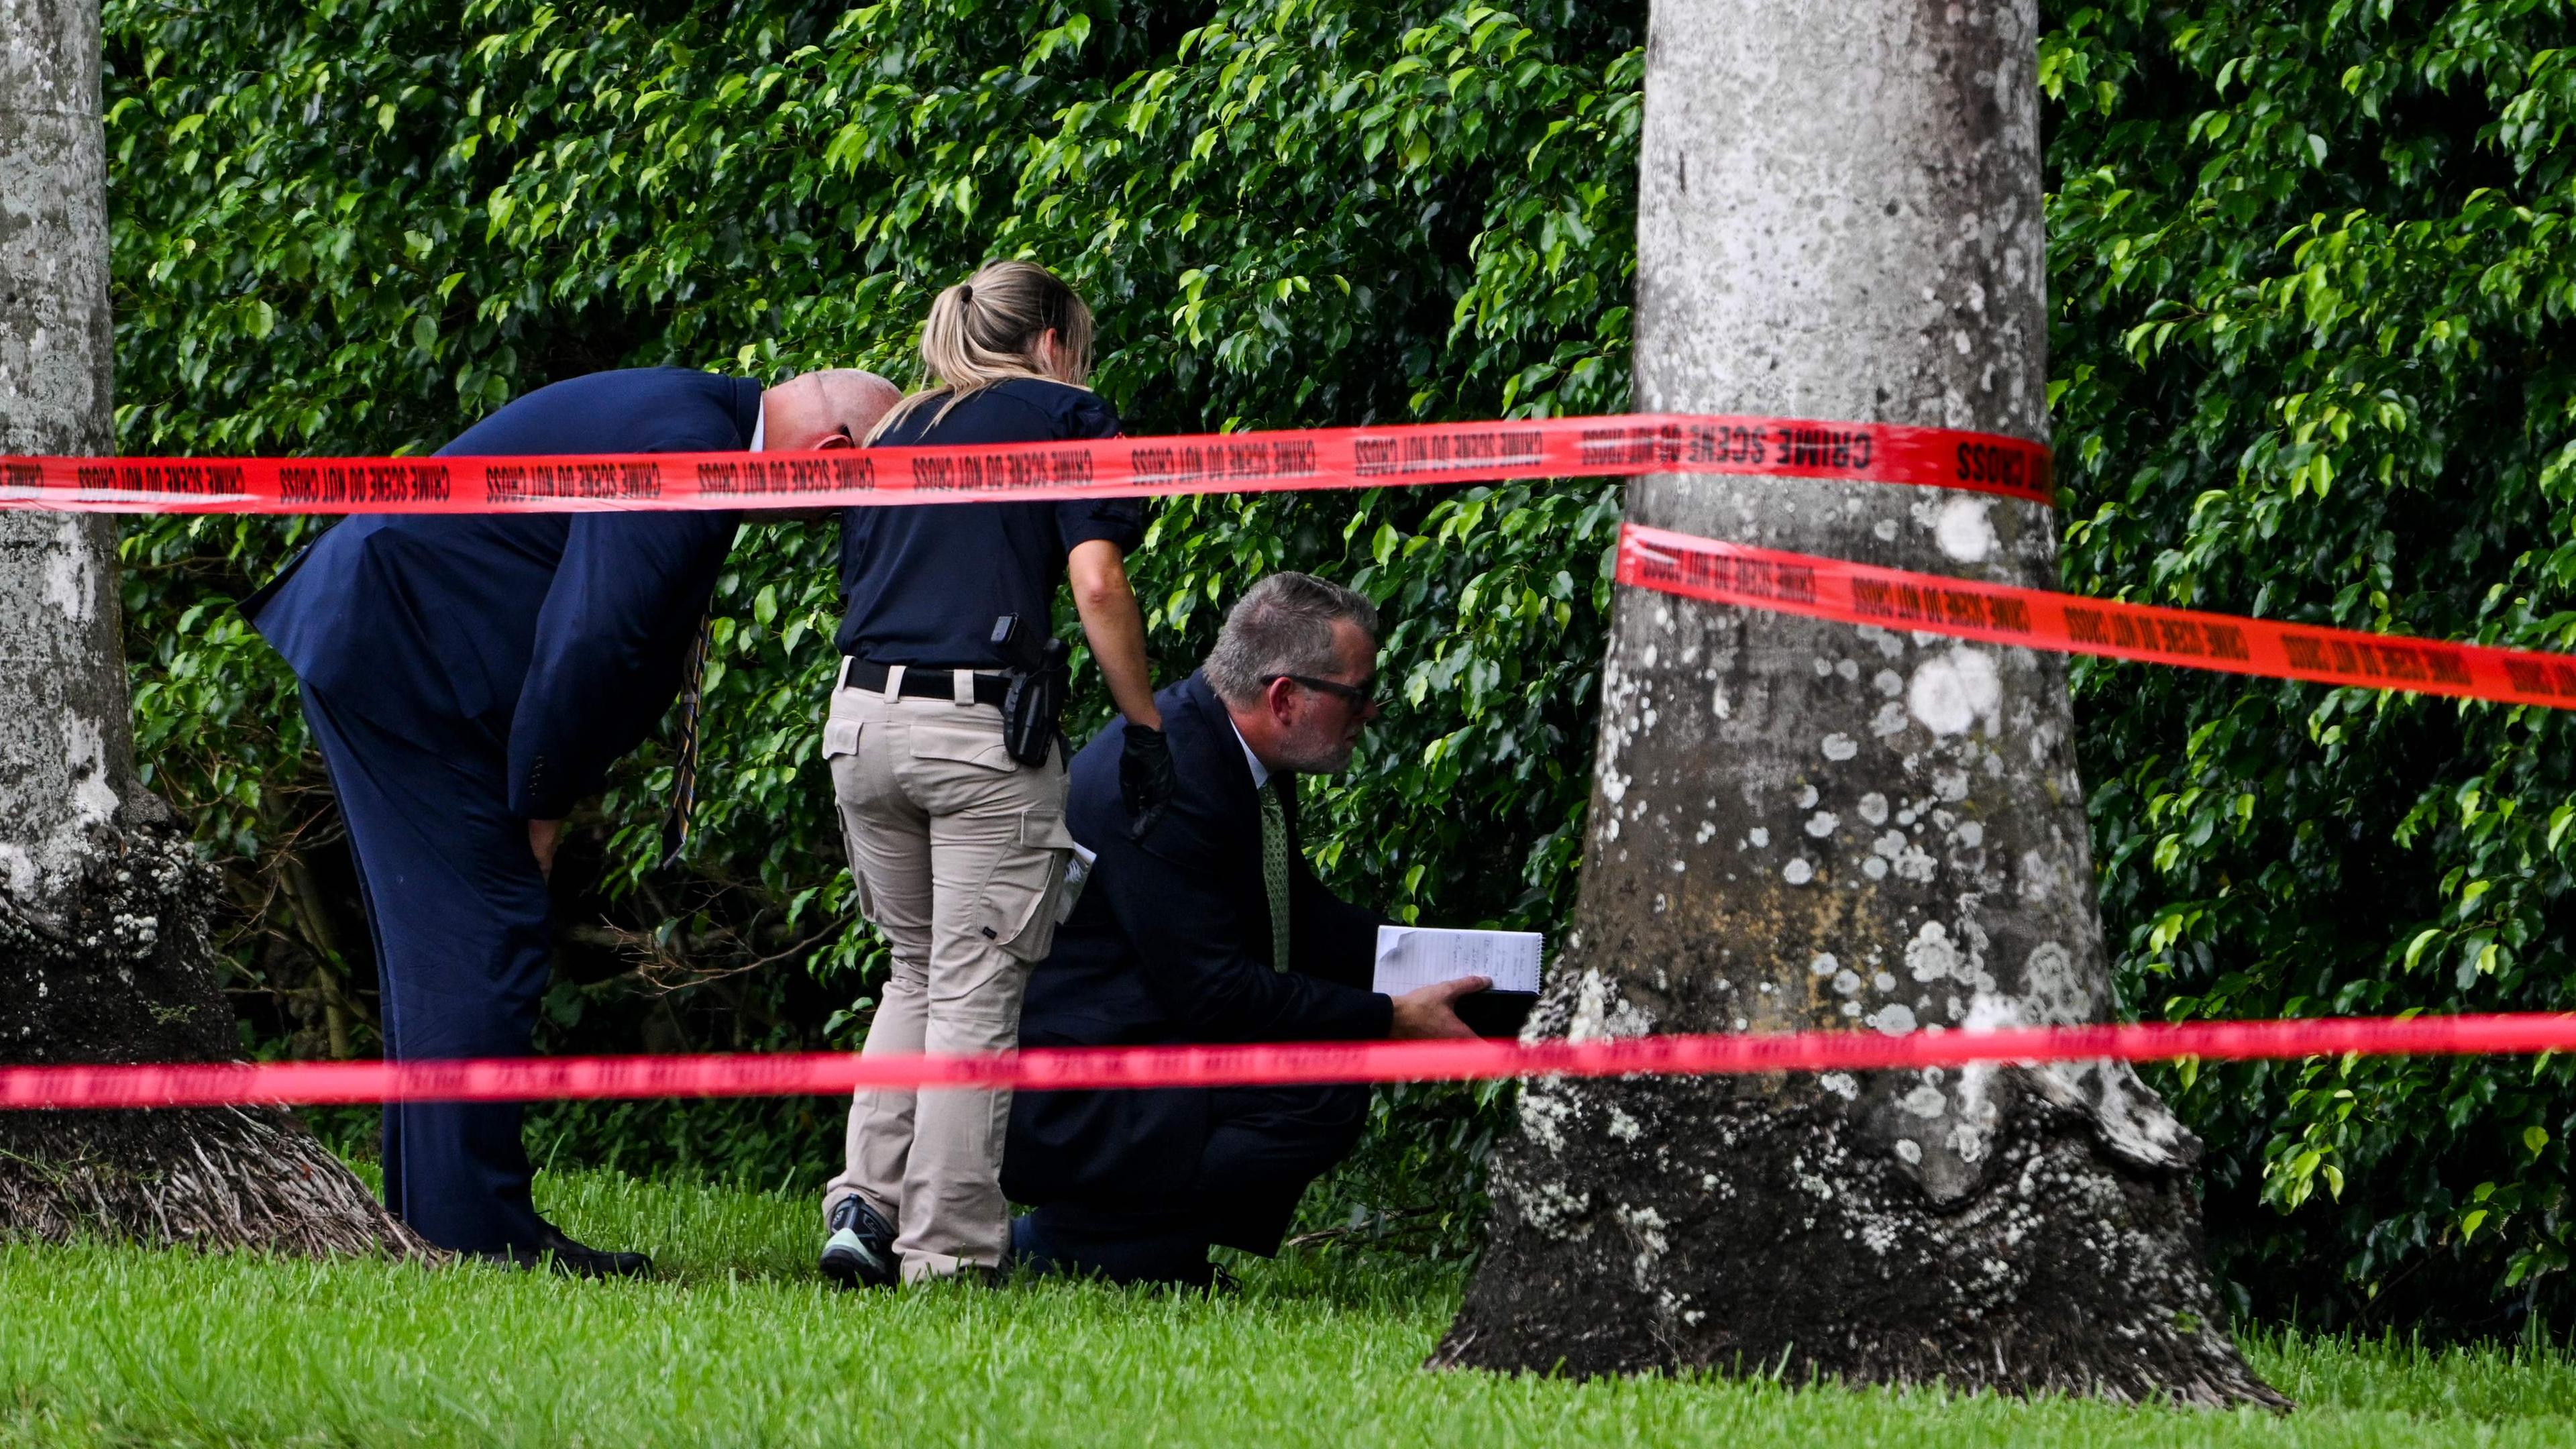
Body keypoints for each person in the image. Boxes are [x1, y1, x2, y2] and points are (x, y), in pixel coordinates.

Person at [245, 366, 900, 1275]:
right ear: (831, 462)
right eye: (845, 504)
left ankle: (437, 1223)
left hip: (402, 647)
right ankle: (473, 1240)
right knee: (485, 932)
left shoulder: (693, 411)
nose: (824, 525)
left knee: (446, 943)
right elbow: (597, 634)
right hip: (407, 660)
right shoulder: (693, 449)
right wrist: (543, 804)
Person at [817, 261, 1175, 1287]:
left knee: (915, 971)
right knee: (975, 988)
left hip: (860, 722)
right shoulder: (1067, 413)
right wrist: (1144, 726)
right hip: (976, 730)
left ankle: (864, 1211)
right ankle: (950, 1255)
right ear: (1056, 340)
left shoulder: (896, 427)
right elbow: (1097, 579)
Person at [1002, 572, 1489, 1287]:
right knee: (1321, 1088)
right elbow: (1218, 995)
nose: (1371, 712)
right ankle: (1086, 1243)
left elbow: (1301, 917)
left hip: (1145, 1044)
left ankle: (1139, 1250)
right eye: (1356, 695)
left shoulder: (1234, 745)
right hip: (1076, 1093)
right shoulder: (1173, 781)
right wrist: (1389, 1021)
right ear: (1285, 698)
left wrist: (1475, 969)